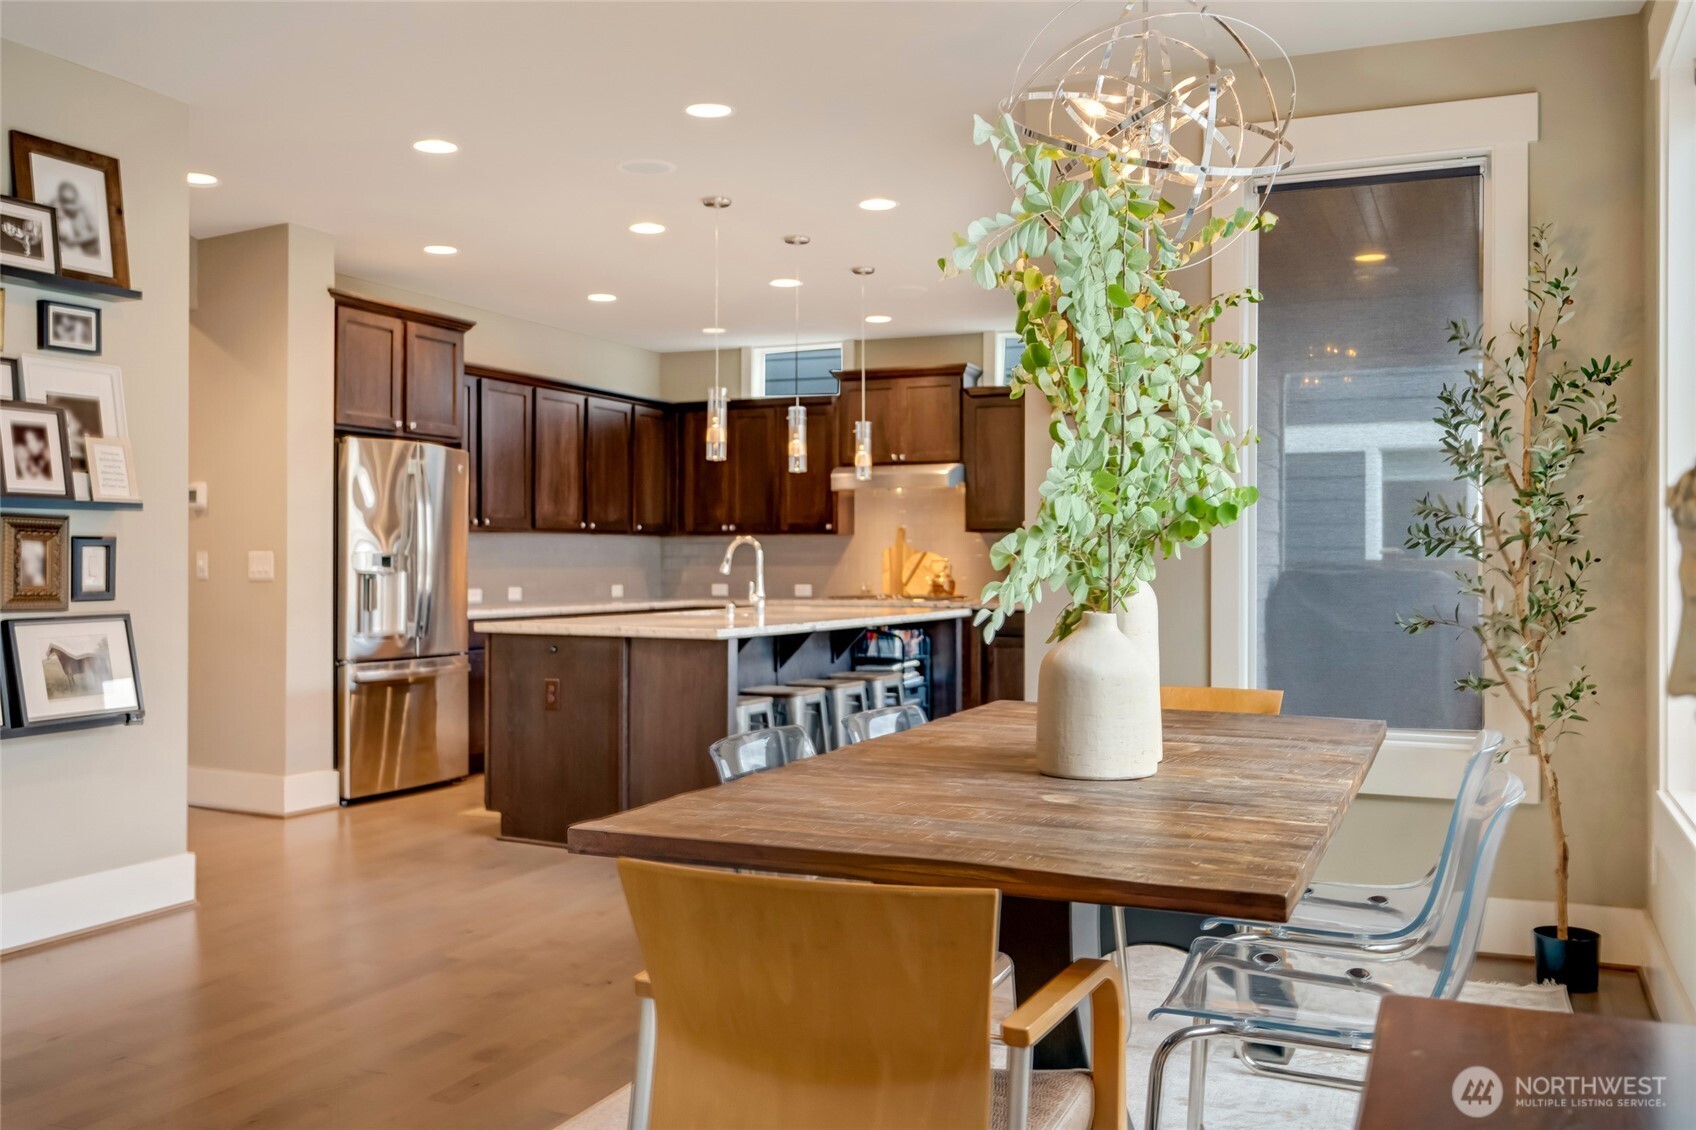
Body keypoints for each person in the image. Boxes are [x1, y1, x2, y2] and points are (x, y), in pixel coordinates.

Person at [54, 180, 101, 258]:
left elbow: (95, 233)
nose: (69, 205)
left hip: (92, 251)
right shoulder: (60, 209)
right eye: (65, 201)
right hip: (72, 252)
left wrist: (75, 241)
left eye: (72, 201)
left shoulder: (84, 208)